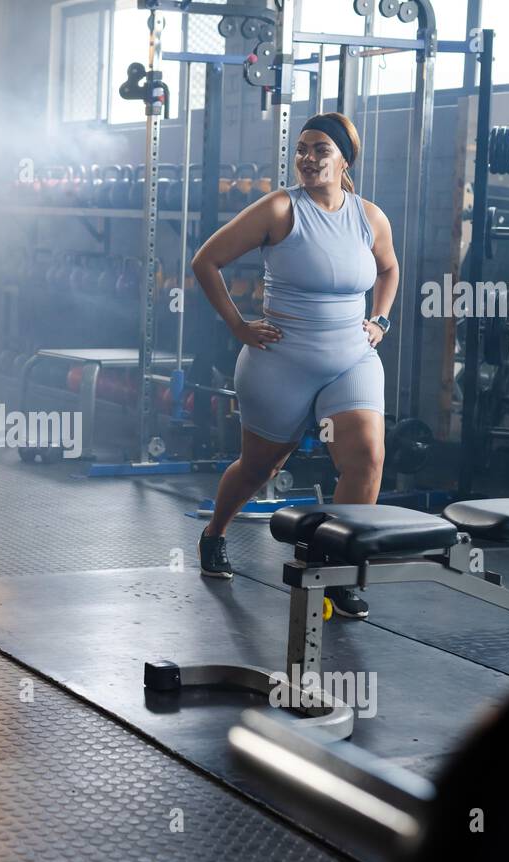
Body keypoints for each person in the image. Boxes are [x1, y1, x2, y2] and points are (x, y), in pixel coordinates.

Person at [191, 113, 398, 619]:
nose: (307, 158)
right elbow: (206, 260)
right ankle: (215, 532)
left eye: (320, 149)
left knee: (368, 457)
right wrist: (239, 327)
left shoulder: (370, 217)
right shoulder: (280, 208)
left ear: (344, 159)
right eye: (301, 148)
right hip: (280, 361)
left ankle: (336, 569)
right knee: (261, 468)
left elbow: (390, 268)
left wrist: (381, 320)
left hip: (351, 358)